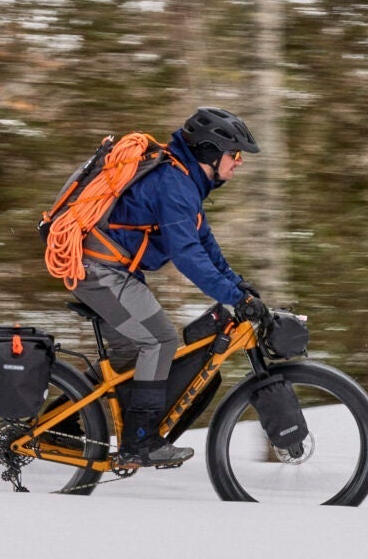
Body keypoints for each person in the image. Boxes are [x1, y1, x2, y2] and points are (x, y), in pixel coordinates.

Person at [71, 106, 269, 468]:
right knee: (160, 340)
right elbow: (189, 257)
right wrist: (234, 297)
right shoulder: (175, 186)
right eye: (235, 154)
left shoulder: (186, 183)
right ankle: (140, 441)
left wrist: (237, 284)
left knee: (129, 361)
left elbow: (205, 244)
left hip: (111, 269)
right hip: (98, 270)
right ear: (211, 152)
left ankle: (66, 422)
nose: (239, 162)